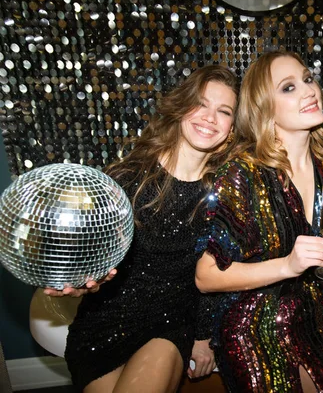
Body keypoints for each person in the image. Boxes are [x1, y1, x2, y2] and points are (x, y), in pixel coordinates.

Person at [54, 65, 240, 392]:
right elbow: (94, 257)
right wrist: (85, 281)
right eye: (201, 103)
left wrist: (202, 334)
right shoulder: (127, 179)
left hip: (168, 327)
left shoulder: (225, 193)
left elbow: (216, 274)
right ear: (182, 107)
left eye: (223, 111)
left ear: (232, 127)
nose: (210, 117)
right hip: (105, 325)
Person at [195, 50, 323, 393]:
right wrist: (287, 265)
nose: (308, 90)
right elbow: (206, 277)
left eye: (307, 79)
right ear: (264, 108)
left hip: (313, 317)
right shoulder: (242, 172)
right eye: (288, 87)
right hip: (252, 325)